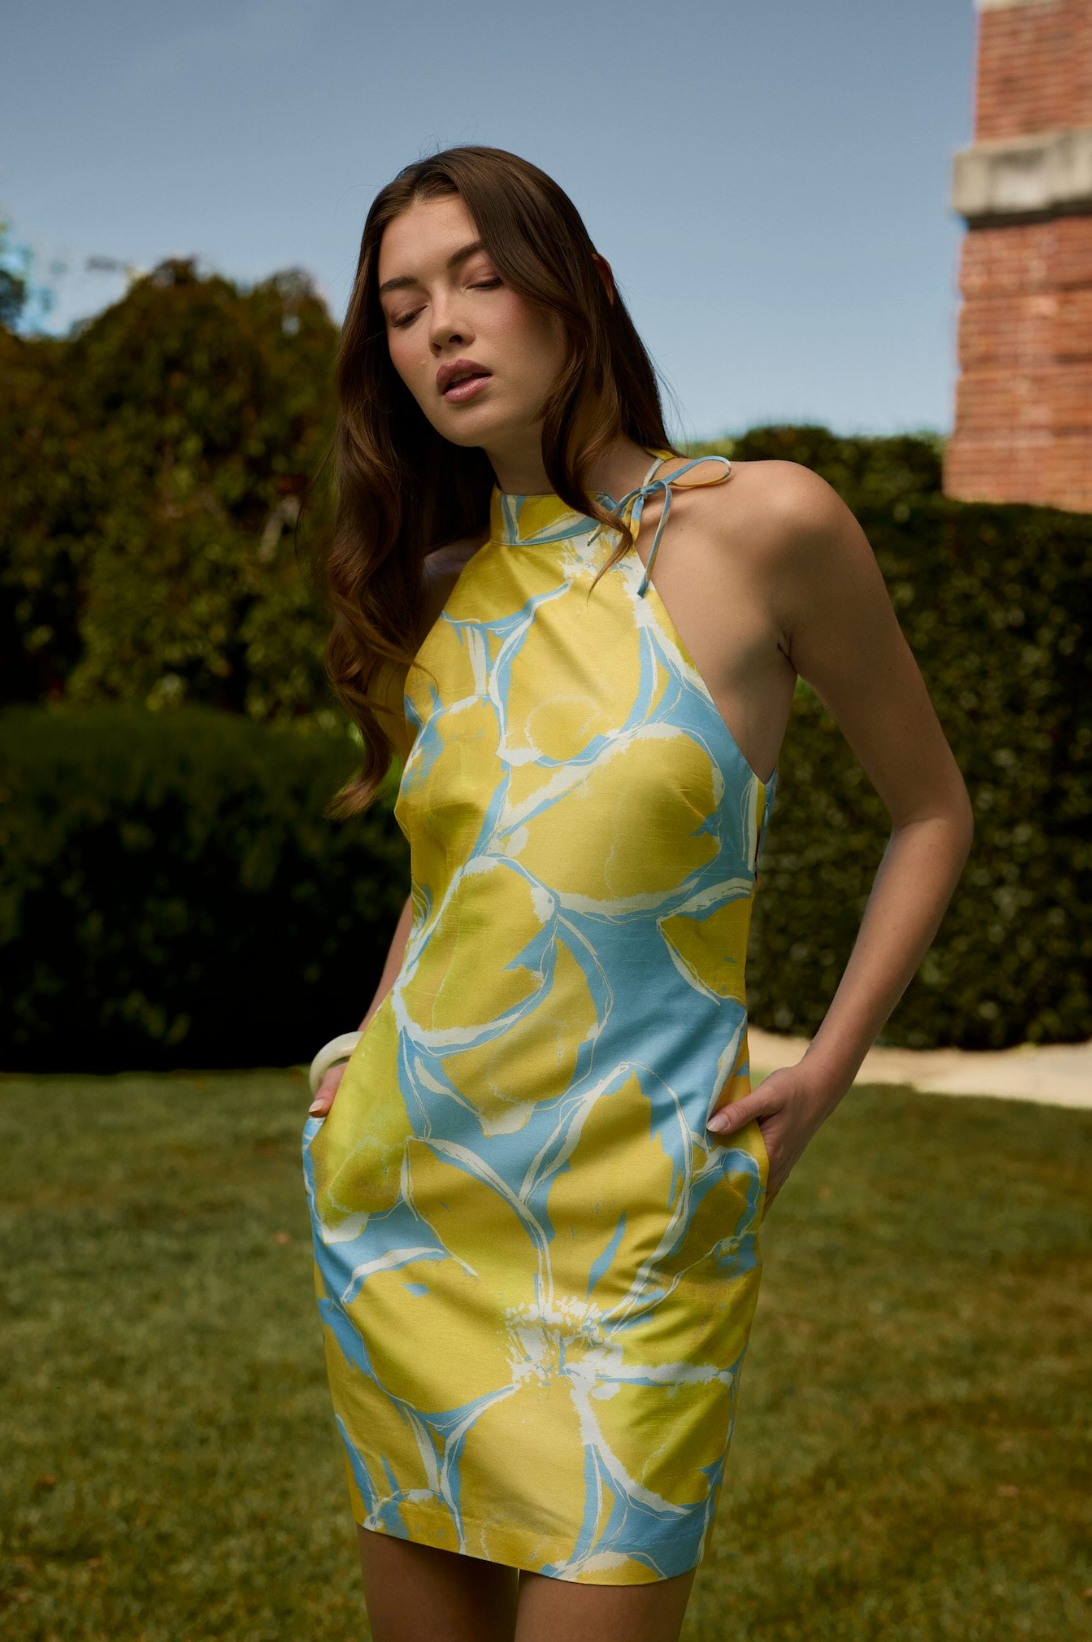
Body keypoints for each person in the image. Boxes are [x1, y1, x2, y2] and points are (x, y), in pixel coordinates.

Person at [300, 143, 974, 1642]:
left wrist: (825, 1073)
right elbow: (458, 875)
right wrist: (358, 1054)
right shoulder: (439, 591)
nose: (443, 326)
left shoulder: (766, 525)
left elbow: (933, 813)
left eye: (480, 278)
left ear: (583, 288)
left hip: (643, 1233)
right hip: (413, 1212)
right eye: (402, 309)